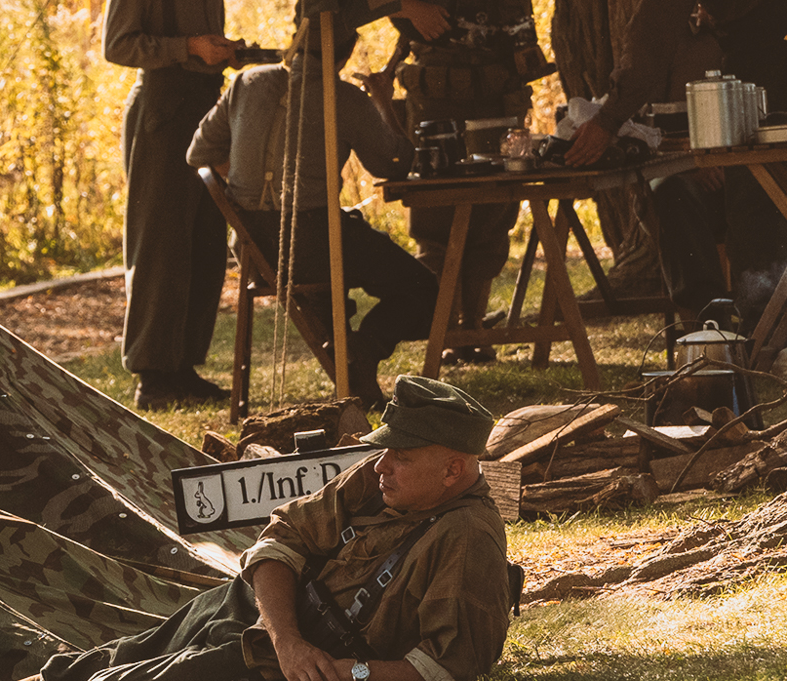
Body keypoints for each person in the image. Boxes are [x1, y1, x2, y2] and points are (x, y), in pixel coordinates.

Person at [0, 375, 512, 681]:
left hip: (289, 656)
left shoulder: (466, 540)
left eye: (402, 455)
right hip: (272, 616)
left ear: (454, 470)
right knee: (125, 653)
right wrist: (285, 632)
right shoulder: (375, 480)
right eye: (385, 451)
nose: (382, 464)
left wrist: (346, 673)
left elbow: (448, 670)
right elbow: (281, 540)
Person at [186, 24, 440, 405]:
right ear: (342, 55)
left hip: (254, 248)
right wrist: (383, 101)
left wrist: (250, 195)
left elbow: (199, 154)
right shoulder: (343, 98)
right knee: (426, 291)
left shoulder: (246, 83)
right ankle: (363, 348)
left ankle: (352, 353)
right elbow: (395, 163)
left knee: (352, 249)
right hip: (315, 248)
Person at [564, 0, 787, 319]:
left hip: (769, 70)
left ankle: (759, 342)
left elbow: (654, 28)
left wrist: (607, 121)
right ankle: (727, 329)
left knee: (758, 213)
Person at [394, 0, 552, 365]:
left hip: (499, 88)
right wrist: (408, 7)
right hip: (437, 92)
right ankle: (446, 332)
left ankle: (475, 328)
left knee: (493, 214)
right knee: (436, 218)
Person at [103, 0, 240, 410]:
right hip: (163, 109)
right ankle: (153, 375)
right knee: (160, 244)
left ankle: (182, 368)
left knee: (205, 243)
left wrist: (223, 52)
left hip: (207, 104)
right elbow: (117, 46)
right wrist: (190, 48)